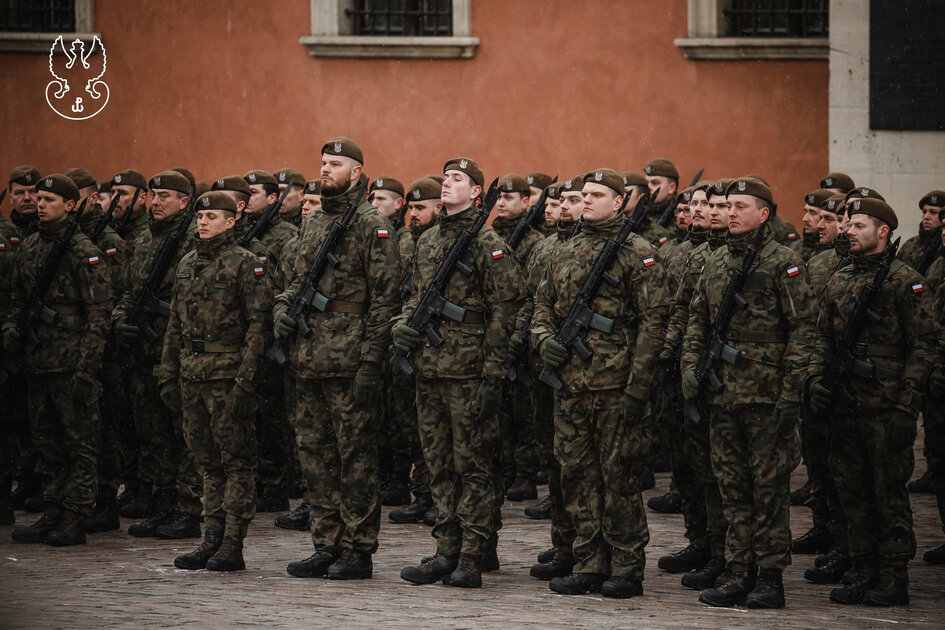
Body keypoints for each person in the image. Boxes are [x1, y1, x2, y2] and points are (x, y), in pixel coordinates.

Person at [532, 168, 669, 598]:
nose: (586, 200)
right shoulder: (562, 249)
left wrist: (638, 387)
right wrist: (543, 341)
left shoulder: (637, 252)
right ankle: (589, 562)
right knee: (577, 476)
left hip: (615, 386)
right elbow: (542, 306)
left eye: (596, 194)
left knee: (619, 477)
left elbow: (654, 323)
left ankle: (626, 567)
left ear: (619, 201)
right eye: (583, 194)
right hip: (569, 385)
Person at [681, 177, 816, 609]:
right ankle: (738, 570)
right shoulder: (716, 262)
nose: (732, 212)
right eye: (728, 205)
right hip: (721, 397)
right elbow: (697, 321)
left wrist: (792, 393)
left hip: (767, 398)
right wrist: (690, 368)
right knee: (732, 490)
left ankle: (771, 577)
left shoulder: (784, 263)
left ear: (765, 214)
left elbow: (803, 330)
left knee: (768, 492)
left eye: (742, 205)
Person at [274, 137, 401, 581]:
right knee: (313, 455)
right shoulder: (312, 224)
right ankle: (325, 544)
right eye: (323, 163)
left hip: (349, 360)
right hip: (308, 356)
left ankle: (358, 550)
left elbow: (386, 299)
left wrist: (371, 361)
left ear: (357, 173)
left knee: (355, 459)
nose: (326, 170)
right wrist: (281, 308)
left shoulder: (371, 224)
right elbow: (295, 280)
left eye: (336, 164)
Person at [396, 157, 521, 589]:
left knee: (473, 464)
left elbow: (505, 311)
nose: (447, 184)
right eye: (446, 177)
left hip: (469, 371)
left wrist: (492, 373)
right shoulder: (427, 240)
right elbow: (415, 295)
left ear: (477, 193)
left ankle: (474, 552)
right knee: (438, 464)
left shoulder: (488, 243)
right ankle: (446, 549)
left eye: (458, 179)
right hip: (430, 368)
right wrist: (403, 326)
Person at [809, 197, 937, 606]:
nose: (848, 230)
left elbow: (925, 347)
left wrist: (907, 406)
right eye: (848, 224)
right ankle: (863, 569)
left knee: (888, 495)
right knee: (851, 492)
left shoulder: (906, 281)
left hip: (886, 408)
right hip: (845, 405)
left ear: (883, 231)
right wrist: (815, 378)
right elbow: (821, 337)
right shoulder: (840, 276)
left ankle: (893, 577)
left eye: (859, 225)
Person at [161, 191, 273, 572]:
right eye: (200, 216)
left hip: (228, 376)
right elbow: (175, 324)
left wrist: (246, 380)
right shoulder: (187, 263)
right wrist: (168, 373)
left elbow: (259, 325)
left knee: (236, 462)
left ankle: (232, 542)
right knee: (206, 462)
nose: (203, 222)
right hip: (193, 375)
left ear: (231, 221)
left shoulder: (247, 264)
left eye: (212, 216)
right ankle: (210, 538)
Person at [6, 174, 112, 546]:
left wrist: (87, 367)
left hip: (71, 364)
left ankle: (75, 515)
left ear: (70, 206)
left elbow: (99, 313)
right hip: (38, 361)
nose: (40, 203)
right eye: (39, 198)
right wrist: (13, 337)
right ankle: (52, 509)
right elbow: (19, 301)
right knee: (45, 441)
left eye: (49, 199)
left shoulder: (84, 250)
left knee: (79, 443)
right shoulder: (31, 246)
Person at [112, 170, 203, 538]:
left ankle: (187, 510)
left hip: (177, 352)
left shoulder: (195, 240)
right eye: (154, 195)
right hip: (145, 351)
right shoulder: (145, 239)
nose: (156, 201)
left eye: (166, 195)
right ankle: (161, 504)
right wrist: (121, 318)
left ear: (185, 202)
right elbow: (131, 291)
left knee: (183, 435)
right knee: (152, 434)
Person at [523, 175, 585, 580]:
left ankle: (585, 547)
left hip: (584, 371)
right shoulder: (547, 247)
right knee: (555, 461)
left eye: (576, 199)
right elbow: (532, 303)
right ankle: (564, 543)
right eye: (562, 200)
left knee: (580, 466)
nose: (565, 205)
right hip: (545, 367)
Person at [387, 177, 443, 526]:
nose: (413, 214)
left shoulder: (446, 243)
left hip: (444, 351)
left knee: (440, 434)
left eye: (420, 207)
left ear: (439, 207)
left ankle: (439, 499)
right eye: (411, 207)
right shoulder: (411, 241)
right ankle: (423, 494)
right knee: (415, 427)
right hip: (410, 342)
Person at [897, 189, 944, 270]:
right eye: (924, 212)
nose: (926, 217)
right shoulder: (909, 245)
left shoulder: (943, 245)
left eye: (933, 212)